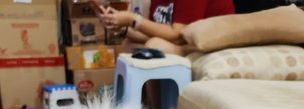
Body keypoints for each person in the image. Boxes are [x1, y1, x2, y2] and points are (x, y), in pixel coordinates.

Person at [99, 1, 235, 55]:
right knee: (129, 45)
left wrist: (133, 19)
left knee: (155, 46)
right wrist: (123, 28)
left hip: (211, 45)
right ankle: (142, 108)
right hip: (186, 41)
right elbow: (157, 32)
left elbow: (178, 35)